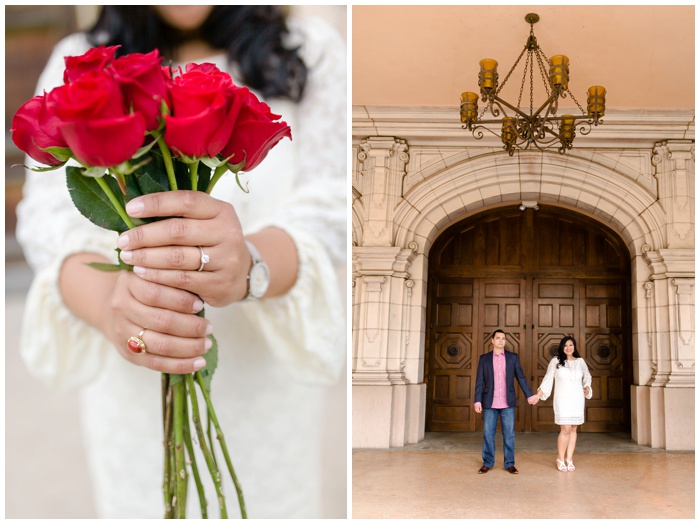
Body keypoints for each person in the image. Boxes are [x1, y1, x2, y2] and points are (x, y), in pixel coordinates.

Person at [15, 6, 346, 519]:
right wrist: (108, 304)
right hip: (132, 388)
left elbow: (334, 203)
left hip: (265, 385)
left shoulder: (308, 52)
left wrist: (249, 265)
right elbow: (46, 222)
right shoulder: (76, 60)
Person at [473, 329, 539, 474]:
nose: (501, 341)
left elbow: (520, 377)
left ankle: (509, 463)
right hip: (489, 403)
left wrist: (529, 395)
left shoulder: (512, 358)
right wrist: (477, 401)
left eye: (503, 338)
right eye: (498, 338)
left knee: (509, 434)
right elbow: (480, 381)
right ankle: (488, 463)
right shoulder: (484, 359)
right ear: (492, 340)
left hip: (507, 403)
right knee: (488, 434)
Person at [535, 335, 592, 472]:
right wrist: (538, 395)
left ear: (574, 346)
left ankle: (569, 458)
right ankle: (560, 458)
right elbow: (548, 378)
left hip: (577, 399)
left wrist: (587, 386)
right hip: (562, 398)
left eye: (571, 345)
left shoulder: (580, 361)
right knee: (565, 429)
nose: (568, 348)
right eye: (565, 345)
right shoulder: (556, 361)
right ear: (562, 347)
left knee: (573, 429)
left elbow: (587, 376)